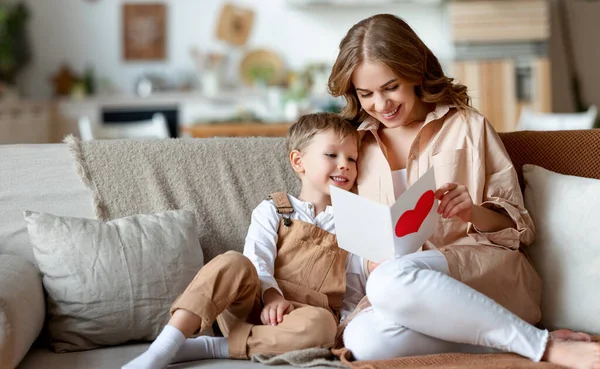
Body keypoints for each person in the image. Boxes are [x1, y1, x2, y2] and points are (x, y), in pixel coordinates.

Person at [327, 13, 599, 369]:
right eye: (366, 94)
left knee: (390, 280)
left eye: (391, 87)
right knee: (364, 340)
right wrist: (369, 260)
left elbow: (520, 230)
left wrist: (472, 211)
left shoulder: (468, 127)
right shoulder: (356, 145)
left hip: (481, 274)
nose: (381, 104)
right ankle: (515, 340)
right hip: (405, 293)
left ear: (415, 72)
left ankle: (544, 348)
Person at [122, 112, 366, 369]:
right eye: (332, 155)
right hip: (253, 305)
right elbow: (256, 258)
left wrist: (344, 329)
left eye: (352, 158)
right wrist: (272, 296)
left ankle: (213, 347)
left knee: (323, 326)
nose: (344, 165)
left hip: (302, 320)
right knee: (234, 261)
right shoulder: (274, 208)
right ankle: (165, 344)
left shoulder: (354, 224)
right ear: (298, 161)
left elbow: (353, 291)